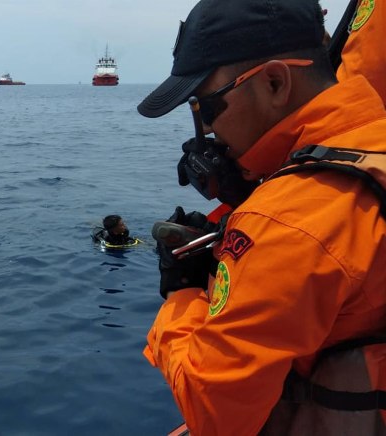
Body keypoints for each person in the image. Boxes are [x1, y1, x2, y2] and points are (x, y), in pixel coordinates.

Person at [136, 0, 386, 434]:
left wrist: (183, 292)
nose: (206, 130)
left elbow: (215, 414)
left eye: (206, 106)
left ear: (274, 81)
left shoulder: (287, 220)